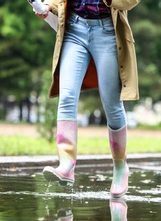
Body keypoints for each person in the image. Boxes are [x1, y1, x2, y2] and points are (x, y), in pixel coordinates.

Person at [36, 0, 140, 197]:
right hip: (74, 30)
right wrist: (50, 6)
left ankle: (120, 167)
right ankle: (66, 164)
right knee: (66, 97)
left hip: (107, 31)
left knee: (112, 104)